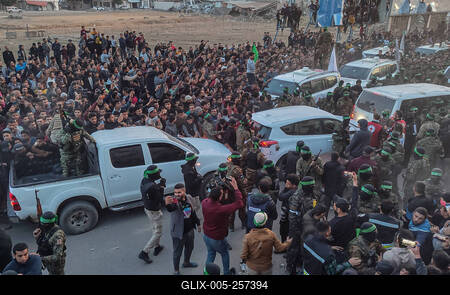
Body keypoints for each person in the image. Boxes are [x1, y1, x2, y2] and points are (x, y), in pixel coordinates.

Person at [202, 176, 244, 275]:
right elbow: (239, 203)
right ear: (220, 197)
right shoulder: (221, 210)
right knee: (224, 253)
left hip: (207, 235)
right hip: (217, 237)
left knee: (211, 253)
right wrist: (236, 188)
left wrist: (218, 187)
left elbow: (212, 196)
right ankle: (226, 273)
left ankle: (207, 272)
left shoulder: (205, 202)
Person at [165, 183, 201, 275]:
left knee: (190, 248)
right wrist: (167, 204)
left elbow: (192, 212)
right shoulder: (174, 201)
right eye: (175, 193)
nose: (177, 194)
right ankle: (176, 270)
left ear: (184, 191)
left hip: (189, 230)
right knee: (177, 252)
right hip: (178, 233)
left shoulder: (189, 197)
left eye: (179, 192)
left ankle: (186, 262)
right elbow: (170, 208)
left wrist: (198, 223)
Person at [138, 165, 166, 264]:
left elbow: (152, 193)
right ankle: (144, 252)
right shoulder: (153, 187)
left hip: (148, 208)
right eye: (158, 173)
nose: (160, 174)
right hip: (154, 211)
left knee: (155, 228)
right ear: (154, 175)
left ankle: (157, 247)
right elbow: (159, 199)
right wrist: (162, 186)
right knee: (158, 232)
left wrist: (158, 186)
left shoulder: (145, 180)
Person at [322, 152, 345, 216]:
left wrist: (324, 184)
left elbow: (323, 175)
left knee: (326, 206)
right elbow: (342, 180)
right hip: (337, 191)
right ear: (338, 158)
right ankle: (336, 217)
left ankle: (324, 218)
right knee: (337, 206)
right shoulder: (341, 168)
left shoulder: (326, 165)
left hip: (328, 189)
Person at [278, 174, 299, 243]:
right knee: (283, 232)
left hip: (289, 216)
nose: (286, 185)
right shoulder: (289, 189)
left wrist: (285, 189)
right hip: (285, 215)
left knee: (286, 232)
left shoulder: (292, 192)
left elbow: (281, 196)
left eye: (288, 183)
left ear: (294, 185)